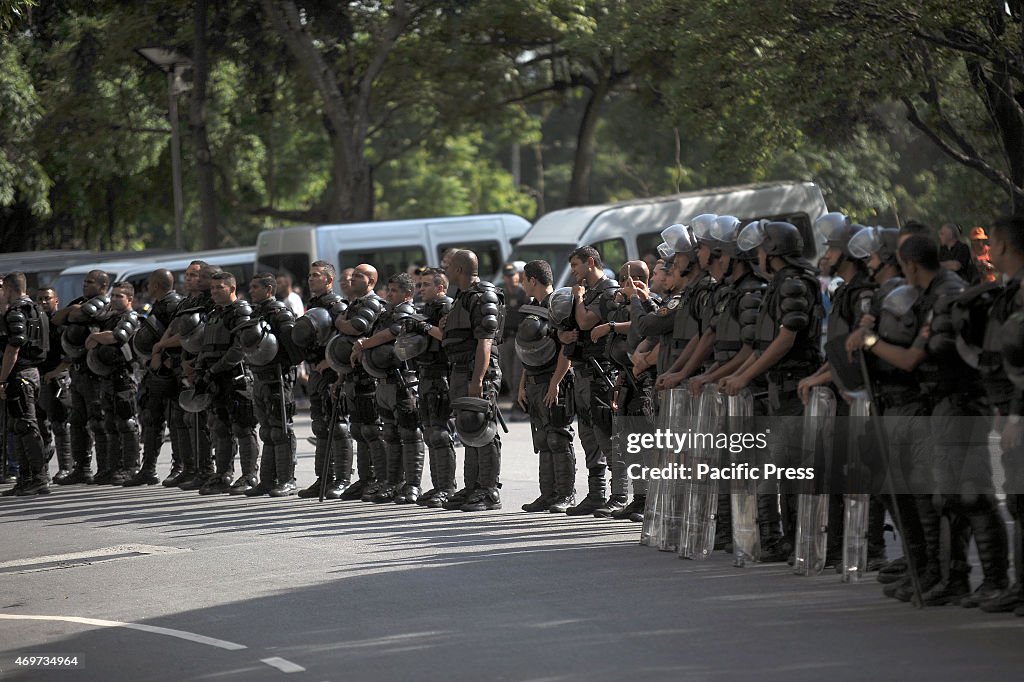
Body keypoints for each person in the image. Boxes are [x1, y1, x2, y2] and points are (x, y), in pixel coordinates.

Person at [442, 249, 505, 511]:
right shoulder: (463, 297)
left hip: (477, 371)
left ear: (458, 269)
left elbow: (485, 341)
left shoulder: (483, 296)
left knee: (484, 429)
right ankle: (472, 487)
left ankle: (489, 491)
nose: (443, 269)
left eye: (447, 265)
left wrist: (478, 379)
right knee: (468, 429)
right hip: (460, 369)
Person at [352, 272, 423, 503]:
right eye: (389, 290)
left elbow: (394, 332)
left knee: (409, 434)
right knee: (390, 434)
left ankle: (412, 485)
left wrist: (365, 343)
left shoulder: (406, 312)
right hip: (383, 382)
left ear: (408, 294)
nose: (389, 294)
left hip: (403, 381)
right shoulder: (386, 313)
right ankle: (393, 482)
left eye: (394, 291)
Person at [517, 260, 575, 513]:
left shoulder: (559, 305)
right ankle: (547, 495)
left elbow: (567, 348)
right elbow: (529, 352)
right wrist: (522, 385)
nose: (520, 283)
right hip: (535, 381)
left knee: (557, 437)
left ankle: (565, 495)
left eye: (523, 279)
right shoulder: (534, 307)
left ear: (533, 280)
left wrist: (556, 383)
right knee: (543, 438)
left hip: (554, 380)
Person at [193, 272, 259, 495]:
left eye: (219, 288)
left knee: (243, 427)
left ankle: (249, 475)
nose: (214, 292)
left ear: (232, 289)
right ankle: (223, 474)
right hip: (215, 379)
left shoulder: (241, 311)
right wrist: (201, 368)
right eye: (212, 288)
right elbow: (206, 344)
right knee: (219, 427)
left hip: (236, 378)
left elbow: (240, 348)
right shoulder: (213, 314)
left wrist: (215, 368)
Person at [245, 273, 302, 497]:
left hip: (278, 377)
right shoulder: (255, 312)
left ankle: (287, 479)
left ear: (269, 290)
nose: (251, 291)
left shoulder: (280, 313)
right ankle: (268, 480)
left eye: (255, 287)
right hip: (259, 376)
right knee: (267, 431)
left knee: (281, 430)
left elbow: (294, 348)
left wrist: (283, 364)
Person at [52, 270, 110, 484]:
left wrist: (74, 311)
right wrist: (72, 308)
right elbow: (57, 318)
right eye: (85, 282)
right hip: (78, 370)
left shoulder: (105, 303)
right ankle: (82, 467)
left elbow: (79, 316)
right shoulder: (79, 302)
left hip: (95, 371)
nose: (85, 285)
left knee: (98, 420)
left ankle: (105, 467)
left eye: (90, 282)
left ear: (103, 286)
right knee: (77, 421)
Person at [128, 269, 184, 486]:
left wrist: (164, 358)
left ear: (158, 285)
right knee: (151, 420)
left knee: (175, 421)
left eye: (150, 284)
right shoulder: (160, 304)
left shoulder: (172, 306)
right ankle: (148, 468)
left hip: (169, 373)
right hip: (155, 371)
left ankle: (179, 467)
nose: (147, 288)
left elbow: (179, 336)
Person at [407, 268, 457, 509]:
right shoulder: (425, 309)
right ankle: (438, 486)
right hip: (425, 375)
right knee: (430, 433)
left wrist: (424, 327)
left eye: (426, 284)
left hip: (441, 376)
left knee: (440, 433)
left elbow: (445, 335)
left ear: (440, 287)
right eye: (419, 285)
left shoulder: (447, 307)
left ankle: (447, 488)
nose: (421, 289)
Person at [85, 282, 141, 486]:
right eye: (114, 295)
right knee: (109, 422)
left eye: (120, 296)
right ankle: (113, 467)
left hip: (124, 376)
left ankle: (131, 467)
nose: (115, 299)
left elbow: (118, 336)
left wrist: (95, 337)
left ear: (129, 300)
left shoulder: (131, 317)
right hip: (107, 377)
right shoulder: (109, 317)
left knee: (126, 422)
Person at [0, 272, 50, 496]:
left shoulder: (17, 311)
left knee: (27, 427)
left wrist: (2, 379)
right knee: (19, 426)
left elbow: (14, 347)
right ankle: (25, 478)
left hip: (20, 374)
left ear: (9, 288)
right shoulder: (36, 308)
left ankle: (38, 477)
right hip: (31, 373)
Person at [33, 287, 73, 484]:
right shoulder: (34, 323)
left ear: (56, 300)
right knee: (39, 426)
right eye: (39, 299)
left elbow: (70, 355)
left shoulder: (61, 324)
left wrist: (56, 373)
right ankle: (42, 471)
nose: (43, 302)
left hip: (57, 376)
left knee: (60, 423)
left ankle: (66, 467)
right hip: (38, 377)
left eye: (47, 299)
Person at [500, 262, 528, 420]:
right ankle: (513, 399)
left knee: (518, 372)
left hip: (519, 337)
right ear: (504, 278)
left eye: (514, 275)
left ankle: (520, 402)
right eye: (509, 276)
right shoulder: (502, 294)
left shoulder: (523, 294)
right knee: (508, 372)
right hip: (506, 338)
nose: (512, 279)